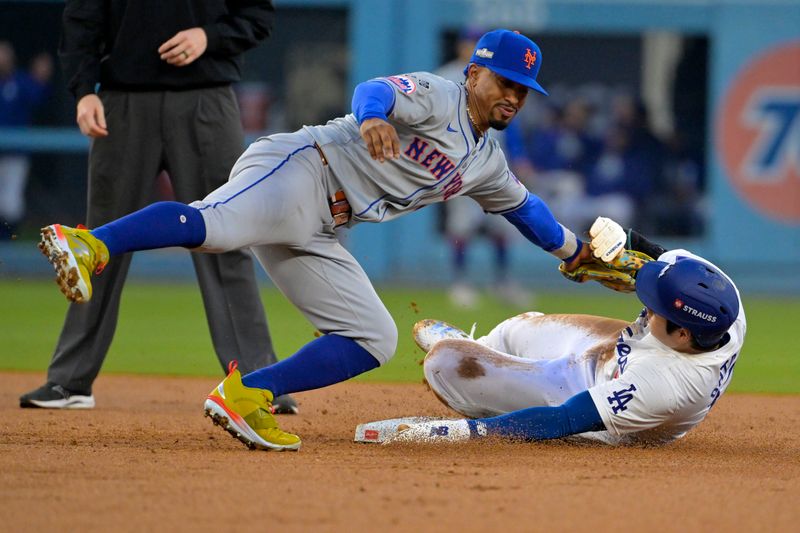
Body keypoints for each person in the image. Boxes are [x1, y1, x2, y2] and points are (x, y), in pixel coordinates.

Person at [37, 29, 596, 451]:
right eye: (506, 82)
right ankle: (90, 244)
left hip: (325, 224)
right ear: (474, 73)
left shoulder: (486, 162)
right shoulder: (439, 95)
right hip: (303, 168)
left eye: (524, 91)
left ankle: (245, 393)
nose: (515, 98)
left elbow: (529, 212)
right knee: (214, 227)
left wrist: (576, 254)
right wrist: (374, 117)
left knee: (373, 337)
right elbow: (374, 90)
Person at [20, 0, 298, 414]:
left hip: (207, 99)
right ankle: (69, 381)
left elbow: (257, 17)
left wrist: (209, 36)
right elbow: (81, 21)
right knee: (97, 244)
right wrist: (83, 91)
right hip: (123, 103)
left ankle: (257, 381)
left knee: (227, 237)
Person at [391, 220, 744, 446]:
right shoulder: (721, 299)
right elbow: (659, 258)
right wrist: (620, 245)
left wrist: (463, 433)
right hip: (617, 348)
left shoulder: (662, 386)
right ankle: (489, 351)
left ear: (682, 335)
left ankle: (481, 366)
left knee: (446, 364)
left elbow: (562, 419)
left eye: (656, 307)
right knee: (519, 327)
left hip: (602, 399)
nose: (647, 304)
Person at [436, 28, 533, 308]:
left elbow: (509, 125)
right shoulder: (445, 76)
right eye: (468, 43)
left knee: (502, 226)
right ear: (460, 46)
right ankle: (459, 283)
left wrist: (519, 156)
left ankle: (502, 282)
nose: (470, 48)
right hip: (457, 163)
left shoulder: (498, 77)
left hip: (493, 162)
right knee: (462, 227)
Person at [0, 42, 52, 239]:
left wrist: (41, 79)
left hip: (15, 154)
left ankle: (8, 245)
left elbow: (38, 98)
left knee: (10, 205)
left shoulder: (19, 81)